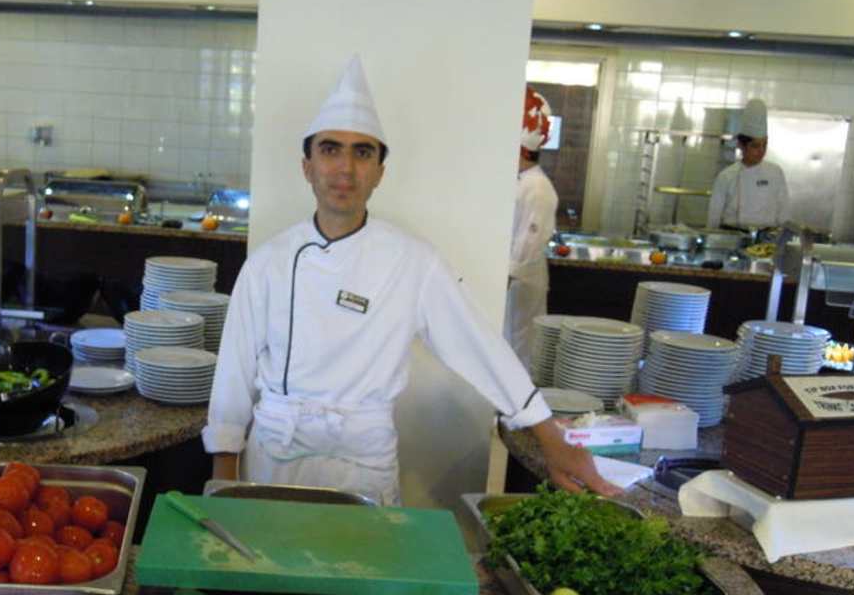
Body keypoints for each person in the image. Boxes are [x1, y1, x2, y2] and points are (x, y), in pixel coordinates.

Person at [202, 55, 618, 504]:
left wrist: (550, 435)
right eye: (330, 149)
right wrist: (224, 482)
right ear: (307, 166)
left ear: (380, 172)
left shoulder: (413, 262)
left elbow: (481, 347)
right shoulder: (268, 263)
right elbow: (233, 374)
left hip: (362, 468)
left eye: (363, 152)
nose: (345, 168)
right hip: (274, 462)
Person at [505, 87, 559, 368]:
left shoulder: (537, 187)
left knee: (520, 344)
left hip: (522, 281)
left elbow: (531, 239)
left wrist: (508, 274)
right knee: (510, 341)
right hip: (514, 280)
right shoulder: (521, 181)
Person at [706, 98, 790, 230]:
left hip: (766, 238)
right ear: (741, 145)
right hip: (732, 236)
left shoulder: (775, 173)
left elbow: (784, 213)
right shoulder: (726, 176)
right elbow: (714, 217)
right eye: (755, 146)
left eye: (764, 144)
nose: (761, 151)